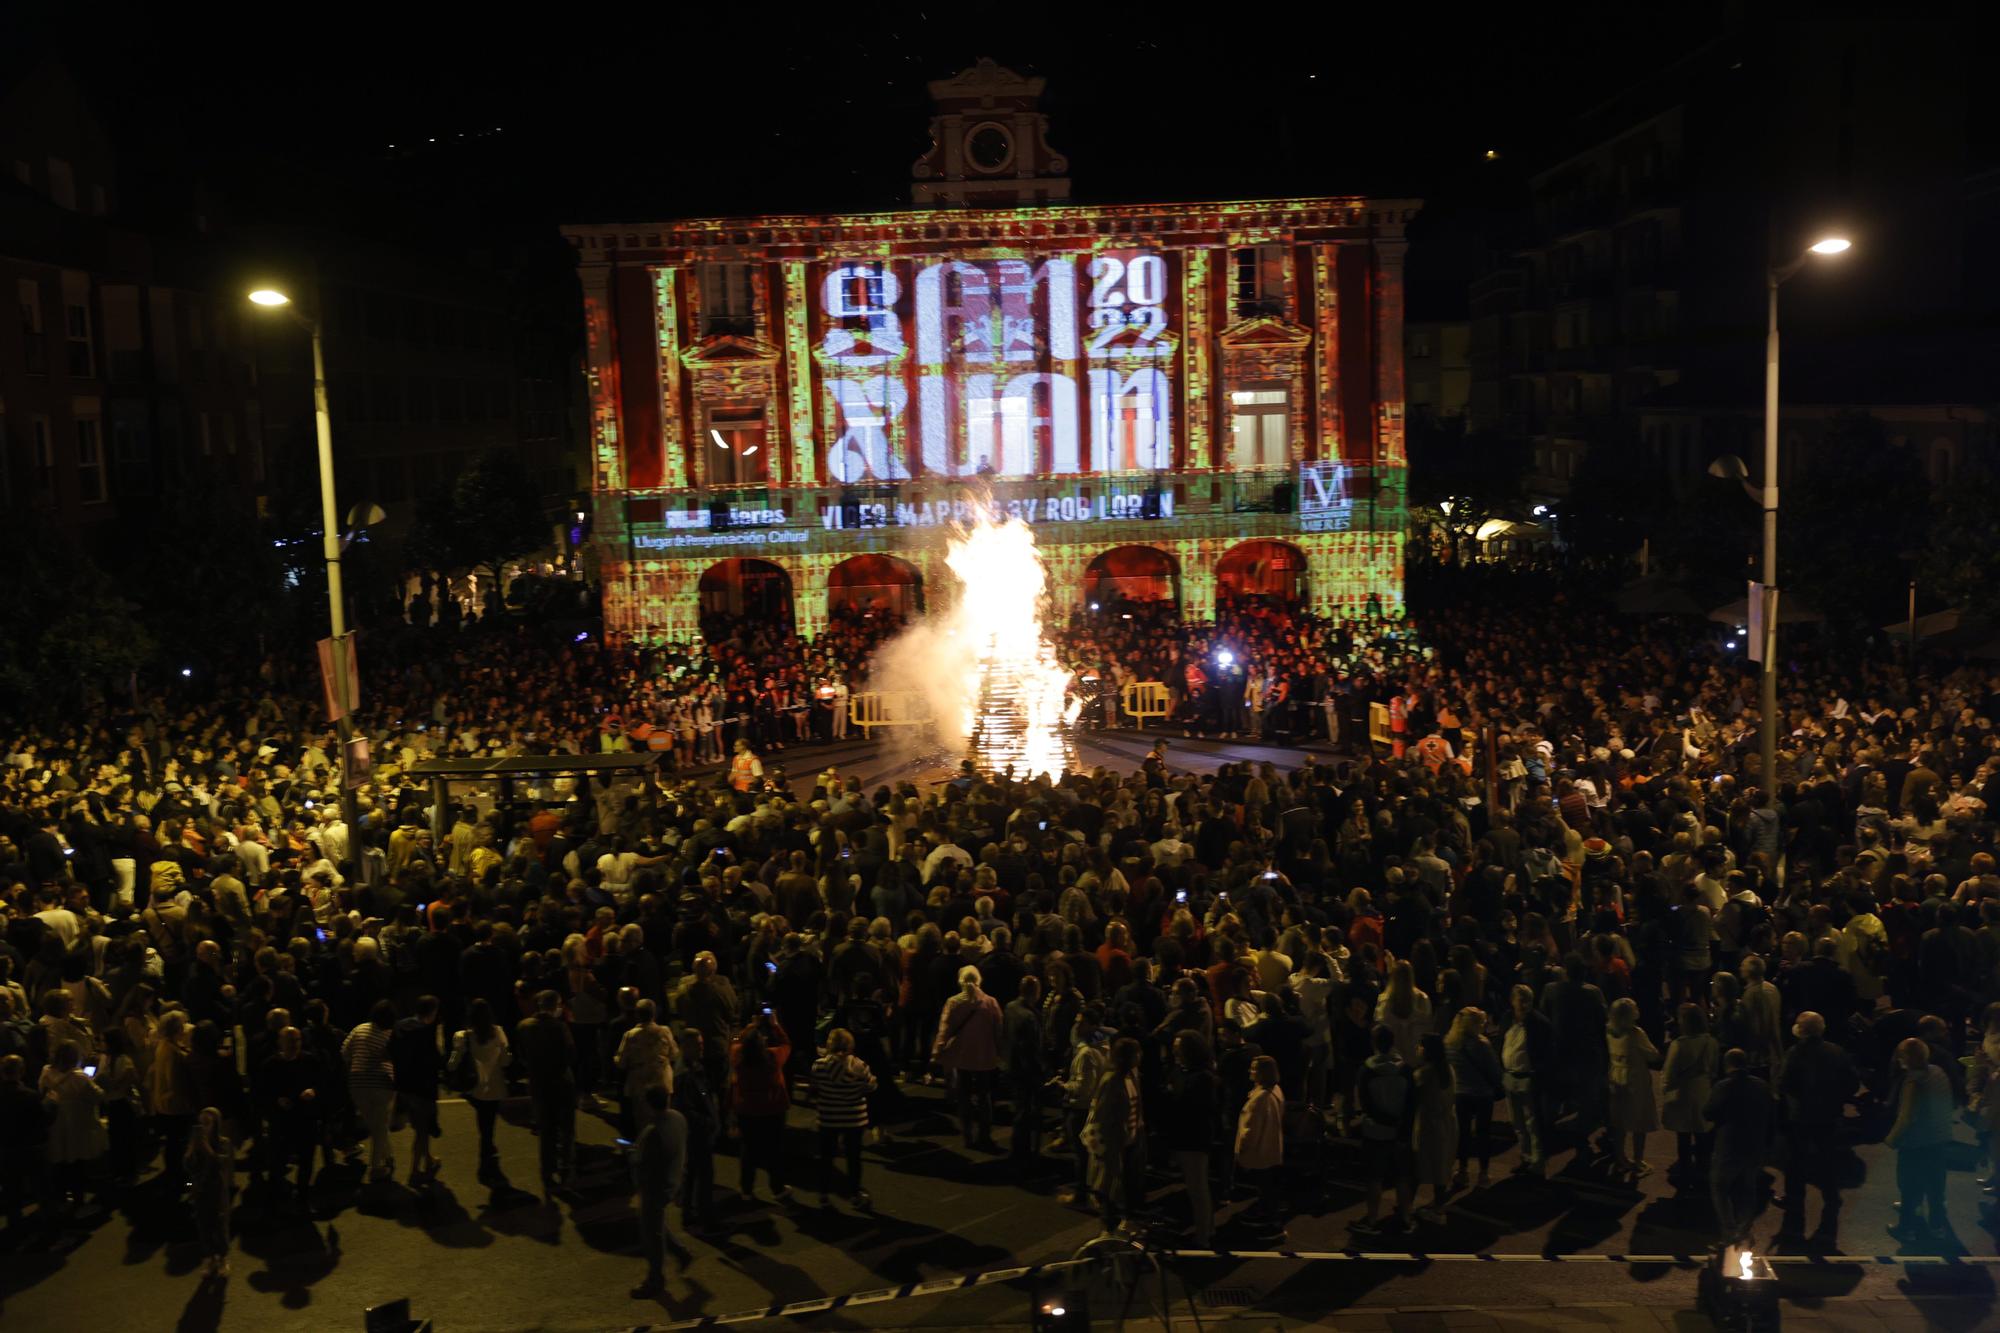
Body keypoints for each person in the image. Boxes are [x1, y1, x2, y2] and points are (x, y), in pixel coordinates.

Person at [1777, 1010, 1857, 1241]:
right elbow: (1851, 1082)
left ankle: (1794, 1199)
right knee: (1827, 1158)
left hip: (1801, 1116)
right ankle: (1831, 1196)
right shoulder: (1836, 1052)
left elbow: (1783, 1083)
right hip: (1829, 1115)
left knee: (1795, 1161)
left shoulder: (1794, 1053)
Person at [1884, 1034, 1953, 1244]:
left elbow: (1907, 1117)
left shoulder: (1913, 1082)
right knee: (1936, 1185)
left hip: (1916, 1143)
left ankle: (1906, 1229)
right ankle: (1937, 1225)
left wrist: (1891, 1139)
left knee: (1909, 1185)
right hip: (1939, 1139)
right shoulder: (1938, 1072)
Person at [1703, 1048, 1773, 1248]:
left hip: (1729, 1146)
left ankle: (1729, 1232)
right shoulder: (1762, 1086)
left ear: (1727, 1065)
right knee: (1748, 1188)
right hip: (1754, 1145)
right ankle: (1744, 1229)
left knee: (1720, 1187)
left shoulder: (1723, 1086)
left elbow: (1708, 1112)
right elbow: (1772, 1117)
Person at [1354, 1024, 1416, 1234]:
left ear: (1373, 1044)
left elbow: (1367, 1105)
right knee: (1402, 1176)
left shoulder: (1367, 1071)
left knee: (1374, 1177)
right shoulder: (1405, 1070)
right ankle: (1406, 1217)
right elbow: (1411, 1103)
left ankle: (1372, 1219)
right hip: (1400, 1133)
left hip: (1375, 1131)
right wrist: (1402, 1125)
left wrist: (1386, 1121)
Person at [933, 965, 1003, 1152]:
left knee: (963, 1095)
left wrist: (937, 1051)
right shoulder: (991, 1002)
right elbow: (998, 1031)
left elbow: (944, 1029)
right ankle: (985, 1134)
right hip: (984, 1055)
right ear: (979, 980)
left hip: (962, 1056)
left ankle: (967, 1135)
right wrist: (1000, 1053)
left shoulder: (953, 1002)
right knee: (984, 1095)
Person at [517, 989, 578, 1200]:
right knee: (566, 1130)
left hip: (539, 1084)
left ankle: (547, 1172)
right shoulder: (559, 1028)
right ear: (555, 1006)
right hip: (561, 1083)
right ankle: (566, 1171)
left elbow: (521, 1054)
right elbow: (570, 1055)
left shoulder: (524, 1027)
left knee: (546, 1130)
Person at [629, 1085, 688, 1301]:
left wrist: (631, 1154)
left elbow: (641, 1163)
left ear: (648, 1104)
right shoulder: (678, 1119)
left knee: (651, 1235)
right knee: (656, 1222)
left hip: (655, 1189)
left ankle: (655, 1279)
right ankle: (680, 1251)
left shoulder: (651, 1132)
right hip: (673, 1182)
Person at [38, 1040, 107, 1220]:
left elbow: (41, 1091)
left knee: (59, 1163)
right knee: (77, 1164)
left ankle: (61, 1201)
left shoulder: (46, 1072)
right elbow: (99, 1096)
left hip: (55, 1126)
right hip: (77, 1125)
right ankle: (78, 1204)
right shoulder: (80, 1078)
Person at [1085, 1036, 1146, 1236]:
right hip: (1114, 1143)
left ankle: (1120, 1225)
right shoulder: (1111, 1080)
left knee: (1126, 1185)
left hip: (1131, 1141)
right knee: (1110, 1186)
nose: (1140, 1056)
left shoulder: (1133, 1075)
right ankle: (1108, 1231)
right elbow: (1100, 1115)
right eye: (1137, 1053)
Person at [731, 1009, 792, 1202]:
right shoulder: (773, 1058)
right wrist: (774, 1024)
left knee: (748, 1151)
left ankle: (746, 1189)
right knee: (774, 1150)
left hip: (747, 1110)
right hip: (772, 1109)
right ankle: (777, 1188)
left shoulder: (738, 1057)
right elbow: (786, 1043)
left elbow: (734, 1041)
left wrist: (749, 1027)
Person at [811, 1027, 876, 1208]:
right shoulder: (859, 1066)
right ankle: (855, 1194)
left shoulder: (819, 1065)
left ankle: (823, 1195)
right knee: (853, 1158)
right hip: (854, 1118)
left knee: (826, 1158)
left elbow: (816, 1085)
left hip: (828, 1117)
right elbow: (871, 1087)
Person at [450, 997, 512, 1181]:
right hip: (495, 1084)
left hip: (474, 1085)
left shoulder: (463, 1036)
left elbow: (453, 1063)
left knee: (482, 1117)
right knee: (489, 1117)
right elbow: (506, 1060)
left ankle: (486, 1145)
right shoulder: (498, 1032)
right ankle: (487, 1147)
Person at [1167, 1031, 1219, 1246]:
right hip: (1188, 1135)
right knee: (1197, 1186)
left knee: (1197, 1187)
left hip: (1194, 1138)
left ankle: (1203, 1236)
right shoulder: (1186, 1072)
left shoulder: (1202, 1079)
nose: (1175, 1052)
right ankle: (1208, 1227)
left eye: (1179, 1048)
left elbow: (1194, 1108)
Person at [1660, 1003, 1720, 1184]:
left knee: (1684, 1136)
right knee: (1702, 1133)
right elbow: (1715, 1071)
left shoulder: (1679, 1045)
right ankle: (1703, 1169)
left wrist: (1665, 1088)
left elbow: (1669, 1073)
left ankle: (1685, 1172)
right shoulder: (1711, 1042)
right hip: (1703, 1091)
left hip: (1684, 1093)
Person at [342, 998, 399, 1184]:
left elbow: (344, 1052)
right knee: (380, 1126)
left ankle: (388, 1155)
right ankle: (375, 1167)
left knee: (376, 1126)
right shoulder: (391, 1035)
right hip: (382, 1083)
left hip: (357, 1083)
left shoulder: (360, 1029)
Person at [1444, 1008, 1502, 1190]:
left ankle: (1463, 1171)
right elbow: (1493, 1070)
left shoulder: (1449, 1044)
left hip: (1461, 1093)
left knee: (1463, 1133)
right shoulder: (1481, 1044)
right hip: (1482, 1094)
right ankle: (1483, 1173)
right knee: (1483, 1133)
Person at [1500, 984, 1554, 1177]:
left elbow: (1547, 1053)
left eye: (1526, 1000)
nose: (1522, 1004)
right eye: (1519, 999)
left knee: (1533, 1122)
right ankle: (1525, 1157)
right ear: (1512, 1001)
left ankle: (1538, 1163)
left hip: (1528, 1078)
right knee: (1517, 1122)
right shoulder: (1508, 1019)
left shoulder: (1539, 1023)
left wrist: (1537, 1073)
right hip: (1510, 1077)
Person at [1605, 996, 1661, 1177]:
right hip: (1635, 1082)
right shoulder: (1635, 1034)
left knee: (1619, 1123)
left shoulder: (1609, 1031)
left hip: (1615, 1078)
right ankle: (1638, 1160)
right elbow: (1652, 1055)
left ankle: (1620, 1158)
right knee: (1639, 1122)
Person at [390, 994, 443, 1184]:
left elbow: (391, 1051)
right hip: (422, 1087)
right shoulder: (427, 1031)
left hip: (404, 1084)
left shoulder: (400, 1026)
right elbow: (435, 1060)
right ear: (433, 1011)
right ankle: (414, 1170)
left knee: (419, 1126)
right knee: (422, 1129)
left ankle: (428, 1158)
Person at [673, 1030, 721, 1234]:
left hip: (697, 1131)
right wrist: (708, 1122)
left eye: (702, 1044)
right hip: (697, 1133)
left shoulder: (694, 1067)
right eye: (697, 1045)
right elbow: (687, 1108)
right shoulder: (685, 1076)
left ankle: (688, 1214)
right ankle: (707, 1220)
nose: (702, 1048)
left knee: (691, 1172)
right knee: (704, 1175)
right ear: (685, 1046)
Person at [614, 999, 679, 1145]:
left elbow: (621, 1062)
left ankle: (646, 1153)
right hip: (662, 1079)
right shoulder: (665, 1031)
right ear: (654, 1014)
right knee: (663, 1117)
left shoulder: (630, 1035)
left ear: (637, 1015)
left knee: (643, 1122)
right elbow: (675, 1053)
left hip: (639, 1082)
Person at [1235, 1053, 1286, 1228]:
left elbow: (1250, 1131)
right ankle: (1269, 1215)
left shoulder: (1259, 1099)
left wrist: (1241, 1150)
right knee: (1268, 1185)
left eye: (1255, 1068)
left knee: (1264, 1185)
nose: (1250, 1071)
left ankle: (1268, 1220)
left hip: (1259, 1150)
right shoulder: (1276, 1090)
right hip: (1271, 1146)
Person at [1410, 1033, 1457, 1223]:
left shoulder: (1424, 1073)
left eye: (1420, 1046)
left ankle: (1408, 1206)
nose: (1418, 1049)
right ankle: (1438, 1206)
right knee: (1441, 1167)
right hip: (1448, 1122)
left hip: (1429, 1123)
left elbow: (1412, 1099)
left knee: (1417, 1165)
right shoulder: (1448, 1069)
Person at [185, 1106, 234, 1277]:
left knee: (219, 1224)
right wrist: (190, 1187)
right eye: (201, 1123)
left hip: (217, 1191)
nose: (203, 1126)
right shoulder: (196, 1142)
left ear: (216, 1124)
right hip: (200, 1191)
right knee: (203, 1225)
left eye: (207, 1123)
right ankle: (210, 1258)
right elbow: (189, 1168)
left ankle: (223, 1257)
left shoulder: (223, 1143)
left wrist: (205, 1145)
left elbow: (219, 1164)